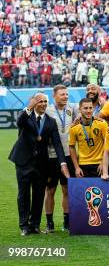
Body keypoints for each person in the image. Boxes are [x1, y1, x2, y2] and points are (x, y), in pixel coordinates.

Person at [9, 93, 70, 236]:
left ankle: (35, 225)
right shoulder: (25, 115)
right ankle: (24, 226)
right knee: (23, 194)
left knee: (39, 194)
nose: (43, 104)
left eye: (45, 101)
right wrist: (29, 107)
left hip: (42, 163)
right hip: (24, 161)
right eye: (40, 101)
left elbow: (57, 144)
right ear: (34, 103)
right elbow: (19, 122)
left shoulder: (50, 121)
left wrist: (62, 163)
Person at [44, 84, 79, 233]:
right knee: (50, 190)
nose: (65, 96)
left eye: (66, 94)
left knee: (67, 190)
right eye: (62, 94)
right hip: (51, 156)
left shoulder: (73, 108)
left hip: (69, 155)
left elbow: (88, 107)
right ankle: (49, 223)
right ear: (54, 96)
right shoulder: (46, 110)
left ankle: (67, 221)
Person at [69, 98, 109, 178]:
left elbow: (107, 144)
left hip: (99, 164)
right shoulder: (74, 128)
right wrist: (77, 167)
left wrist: (103, 162)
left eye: (90, 108)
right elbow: (71, 147)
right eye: (85, 108)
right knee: (85, 190)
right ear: (80, 109)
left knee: (101, 190)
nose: (88, 111)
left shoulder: (102, 124)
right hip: (83, 164)